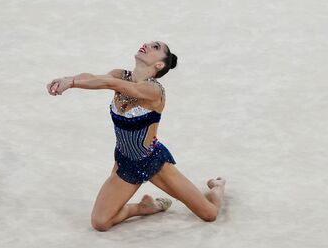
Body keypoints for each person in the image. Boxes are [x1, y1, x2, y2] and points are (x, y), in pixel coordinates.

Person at [47, 41, 224, 231]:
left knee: (209, 214)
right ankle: (142, 208)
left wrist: (72, 83)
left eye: (156, 47)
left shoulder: (154, 91)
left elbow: (110, 83)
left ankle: (218, 187)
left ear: (159, 65)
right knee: (100, 222)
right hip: (125, 163)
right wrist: (68, 78)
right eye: (148, 43)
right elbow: (95, 78)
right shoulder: (119, 74)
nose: (147, 45)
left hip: (152, 161)